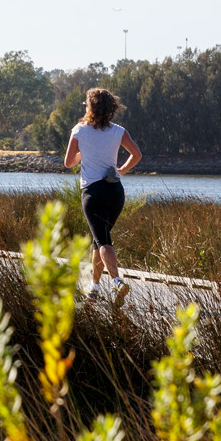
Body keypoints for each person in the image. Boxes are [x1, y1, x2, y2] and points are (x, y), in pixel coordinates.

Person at [64, 87, 142, 301]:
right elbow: (137, 154)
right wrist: (122, 170)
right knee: (98, 241)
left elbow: (69, 162)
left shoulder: (79, 131)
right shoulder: (119, 131)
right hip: (116, 192)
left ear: (91, 107)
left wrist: (83, 153)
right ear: (110, 109)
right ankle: (95, 287)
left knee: (104, 241)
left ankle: (117, 282)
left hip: (93, 193)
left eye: (86, 104)